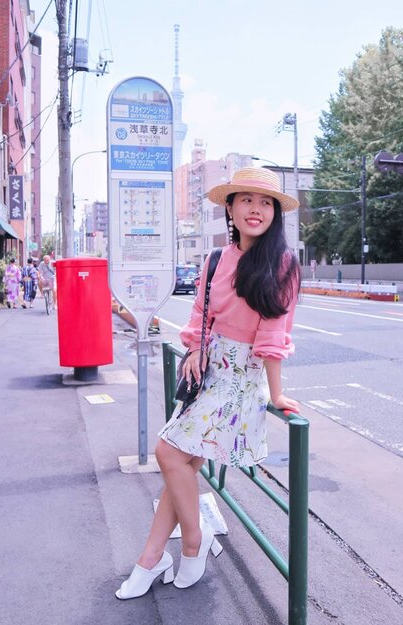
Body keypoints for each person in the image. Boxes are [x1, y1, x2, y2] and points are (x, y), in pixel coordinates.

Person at [116, 167, 301, 600]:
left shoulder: (283, 264)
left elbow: (273, 335)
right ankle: (152, 557)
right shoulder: (217, 259)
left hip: (240, 380)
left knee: (169, 454)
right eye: (247, 200)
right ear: (230, 209)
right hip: (208, 372)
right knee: (179, 465)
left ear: (275, 213)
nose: (256, 209)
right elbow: (202, 314)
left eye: (266, 202)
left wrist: (275, 395)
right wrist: (194, 349)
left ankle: (191, 545)